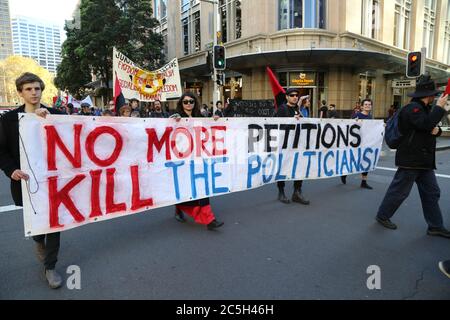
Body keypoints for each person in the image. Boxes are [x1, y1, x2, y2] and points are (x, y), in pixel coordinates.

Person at [0, 72, 64, 289]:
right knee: (37, 224)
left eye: (37, 88)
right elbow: (1, 151)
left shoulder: (55, 114)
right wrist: (11, 170)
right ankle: (38, 241)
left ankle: (50, 266)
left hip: (54, 180)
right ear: (20, 92)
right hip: (25, 182)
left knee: (54, 222)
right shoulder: (8, 119)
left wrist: (51, 122)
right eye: (28, 89)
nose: (34, 92)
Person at [375, 75, 450, 238]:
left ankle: (435, 226)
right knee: (399, 192)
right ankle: (382, 215)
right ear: (428, 95)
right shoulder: (413, 109)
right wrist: (439, 108)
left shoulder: (423, 109)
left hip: (423, 161)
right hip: (411, 160)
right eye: (434, 94)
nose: (435, 97)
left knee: (432, 192)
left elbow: (429, 128)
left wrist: (438, 131)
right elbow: (425, 124)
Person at [171, 92, 224, 230]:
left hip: (198, 157)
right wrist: (172, 121)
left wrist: (214, 120)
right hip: (182, 157)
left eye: (191, 101)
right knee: (185, 186)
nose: (188, 104)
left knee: (202, 186)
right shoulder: (176, 117)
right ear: (181, 103)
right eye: (185, 102)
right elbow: (166, 130)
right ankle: (179, 207)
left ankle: (209, 219)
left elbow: (207, 129)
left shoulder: (200, 117)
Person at [275, 88, 310, 205]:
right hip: (285, 146)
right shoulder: (282, 109)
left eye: (296, 95)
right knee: (283, 167)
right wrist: (291, 121)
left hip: (297, 144)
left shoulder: (297, 109)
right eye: (292, 95)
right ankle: (281, 192)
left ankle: (297, 192)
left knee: (300, 167)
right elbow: (276, 126)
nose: (295, 97)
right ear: (287, 97)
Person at [340, 98, 374, 189]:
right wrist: (355, 121)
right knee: (352, 160)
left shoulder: (370, 117)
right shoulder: (356, 115)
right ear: (362, 106)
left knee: (366, 162)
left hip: (366, 142)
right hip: (355, 143)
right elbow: (349, 127)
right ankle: (344, 173)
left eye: (369, 104)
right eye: (366, 104)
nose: (368, 106)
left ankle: (364, 182)